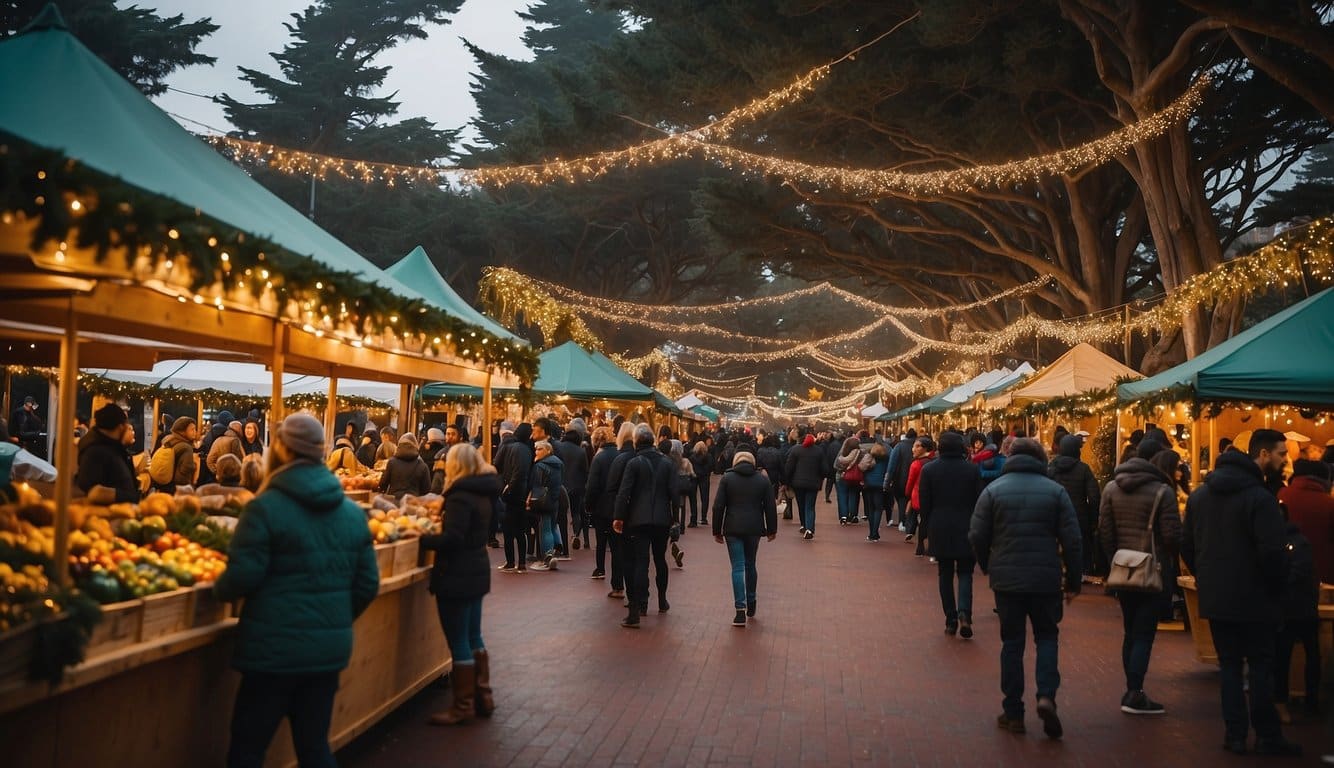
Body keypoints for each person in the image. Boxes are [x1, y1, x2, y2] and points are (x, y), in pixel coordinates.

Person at [214, 412, 379, 767]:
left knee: (247, 749)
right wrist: (332, 618)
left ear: (283, 450)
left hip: (272, 652)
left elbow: (242, 577)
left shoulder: (264, 508)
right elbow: (368, 584)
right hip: (326, 653)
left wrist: (215, 590)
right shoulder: (352, 514)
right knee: (314, 747)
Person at [1181, 428, 1301, 756]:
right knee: (1261, 665)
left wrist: (1205, 576)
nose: (1284, 459)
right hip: (1256, 596)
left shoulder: (1200, 497)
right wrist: (1278, 584)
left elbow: (1186, 544)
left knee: (1230, 666)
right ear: (1262, 455)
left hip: (1218, 596)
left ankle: (1235, 734)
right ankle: (1267, 734)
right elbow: (1272, 553)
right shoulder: (1260, 499)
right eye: (1281, 453)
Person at [969, 437, 1081, 740]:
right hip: (1046, 577)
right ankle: (1046, 695)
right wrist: (1073, 579)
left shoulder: (994, 490)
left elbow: (977, 533)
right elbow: (1072, 539)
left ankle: (1013, 710)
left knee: (1012, 643)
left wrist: (986, 563)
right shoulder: (1056, 491)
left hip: (1007, 579)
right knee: (1047, 636)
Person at [1098, 437, 1181, 716]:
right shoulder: (1162, 491)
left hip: (1122, 567)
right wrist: (1167, 557)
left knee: (1130, 630)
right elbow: (1171, 535)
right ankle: (1135, 692)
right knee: (1144, 632)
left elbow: (1105, 531)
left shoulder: (1111, 488)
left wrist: (1115, 559)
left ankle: (1132, 687)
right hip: (1152, 569)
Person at [421, 443, 501, 726]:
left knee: (458, 641)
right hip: (477, 570)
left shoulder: (459, 496)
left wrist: (423, 538)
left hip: (457, 574)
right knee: (474, 635)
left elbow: (452, 539)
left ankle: (462, 706)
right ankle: (483, 697)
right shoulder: (484, 493)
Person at [920, 432, 981, 638]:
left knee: (944, 573)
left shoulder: (929, 470)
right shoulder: (972, 470)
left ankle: (950, 618)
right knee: (965, 573)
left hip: (940, 526)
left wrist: (924, 531)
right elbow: (978, 501)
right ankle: (965, 613)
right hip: (967, 526)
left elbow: (925, 504)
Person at [613, 425, 674, 628]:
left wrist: (619, 517)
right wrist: (675, 519)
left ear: (637, 441)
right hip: (662, 520)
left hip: (638, 520)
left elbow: (624, 492)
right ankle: (663, 599)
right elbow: (675, 493)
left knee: (641, 562)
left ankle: (640, 605)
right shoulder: (667, 463)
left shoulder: (634, 463)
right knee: (660, 559)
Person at [712, 450, 777, 627]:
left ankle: (739, 609)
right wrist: (772, 529)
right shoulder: (762, 480)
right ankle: (752, 601)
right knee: (750, 564)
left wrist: (716, 530)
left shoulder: (727, 479)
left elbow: (718, 506)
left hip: (732, 528)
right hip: (754, 528)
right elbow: (770, 506)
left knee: (738, 567)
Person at [1274, 504, 1320, 725]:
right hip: (1303, 608)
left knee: (1284, 656)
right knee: (1309, 655)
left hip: (1291, 609)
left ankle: (1291, 700)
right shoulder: (1299, 541)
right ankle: (1311, 700)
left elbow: (1295, 573)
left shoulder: (1288, 543)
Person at [1049, 434, 1101, 582]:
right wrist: (1093, 518)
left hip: (1056, 514)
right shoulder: (1083, 469)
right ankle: (1081, 573)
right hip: (1079, 515)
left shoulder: (1052, 468)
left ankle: (1059, 572)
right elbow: (1094, 496)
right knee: (1081, 546)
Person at [1279, 459, 1334, 586]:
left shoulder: (1281, 495)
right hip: (1323, 576)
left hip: (1287, 573)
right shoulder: (1329, 505)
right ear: (1325, 480)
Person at [599, 422, 639, 596]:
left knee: (619, 550)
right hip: (641, 512)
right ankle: (639, 593)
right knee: (638, 553)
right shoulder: (642, 457)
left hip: (621, 512)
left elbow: (612, 487)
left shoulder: (620, 458)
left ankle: (618, 586)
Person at [75, 403, 141, 503]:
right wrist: (130, 497)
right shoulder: (95, 451)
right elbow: (94, 492)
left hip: (122, 509)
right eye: (125, 425)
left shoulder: (111, 445)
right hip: (111, 513)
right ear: (120, 427)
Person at [494, 422, 532, 574]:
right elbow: (522, 472)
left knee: (508, 530)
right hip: (521, 494)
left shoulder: (510, 447)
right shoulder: (527, 450)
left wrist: (508, 486)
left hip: (510, 493)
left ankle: (511, 562)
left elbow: (498, 464)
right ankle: (521, 562)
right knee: (520, 530)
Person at [585, 426, 619, 580]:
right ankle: (616, 578)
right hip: (617, 504)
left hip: (600, 505)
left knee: (601, 539)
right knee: (615, 543)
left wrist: (589, 505)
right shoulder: (620, 455)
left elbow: (592, 485)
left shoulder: (598, 458)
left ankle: (600, 568)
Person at [527, 439, 564, 571]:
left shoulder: (540, 466)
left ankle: (547, 556)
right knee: (553, 525)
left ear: (548, 450)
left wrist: (529, 499)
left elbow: (535, 484)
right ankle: (557, 547)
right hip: (555, 499)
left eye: (539, 449)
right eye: (536, 449)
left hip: (542, 500)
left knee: (545, 528)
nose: (536, 451)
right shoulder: (558, 464)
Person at [555, 420, 590, 554]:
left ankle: (560, 540)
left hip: (561, 485)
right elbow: (585, 470)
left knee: (560, 514)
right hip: (576, 486)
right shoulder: (581, 451)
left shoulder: (559, 447)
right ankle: (575, 534)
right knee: (576, 513)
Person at [785, 434, 825, 540]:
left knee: (801, 504)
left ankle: (803, 524)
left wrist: (786, 481)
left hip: (798, 483)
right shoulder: (819, 451)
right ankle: (810, 528)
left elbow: (789, 467)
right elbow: (824, 469)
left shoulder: (796, 450)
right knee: (810, 506)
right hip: (813, 483)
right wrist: (820, 477)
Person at [905, 436, 936, 553]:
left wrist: (908, 495)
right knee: (928, 520)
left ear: (925, 448)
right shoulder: (934, 461)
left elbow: (910, 482)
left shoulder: (916, 464)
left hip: (918, 496)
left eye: (917, 446)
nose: (914, 449)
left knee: (922, 521)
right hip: (932, 497)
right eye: (914, 446)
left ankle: (920, 545)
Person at [379, 432, 430, 500]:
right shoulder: (423, 466)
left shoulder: (392, 462)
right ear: (415, 446)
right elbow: (426, 491)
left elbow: (383, 484)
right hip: (412, 505)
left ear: (399, 445)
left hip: (393, 503)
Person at [887, 428, 917, 528]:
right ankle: (910, 522)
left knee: (902, 500)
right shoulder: (920, 446)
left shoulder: (899, 446)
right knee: (913, 500)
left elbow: (892, 465)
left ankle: (903, 522)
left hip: (900, 479)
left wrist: (887, 481)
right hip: (917, 479)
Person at [833, 436, 865, 525]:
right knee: (853, 495)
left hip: (842, 476)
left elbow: (835, 465)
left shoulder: (842, 453)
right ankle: (853, 514)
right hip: (855, 477)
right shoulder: (861, 453)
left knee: (842, 495)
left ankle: (843, 516)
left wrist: (843, 470)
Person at [862, 442, 890, 541]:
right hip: (880, 484)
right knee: (878, 509)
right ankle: (875, 533)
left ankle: (871, 533)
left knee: (870, 508)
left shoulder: (869, 457)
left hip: (868, 484)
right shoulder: (886, 459)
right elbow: (888, 471)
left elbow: (862, 468)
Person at [688, 441, 714, 527]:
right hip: (704, 478)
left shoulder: (691, 457)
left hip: (694, 477)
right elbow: (711, 467)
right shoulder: (709, 457)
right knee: (705, 498)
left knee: (693, 498)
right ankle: (704, 518)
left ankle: (693, 519)